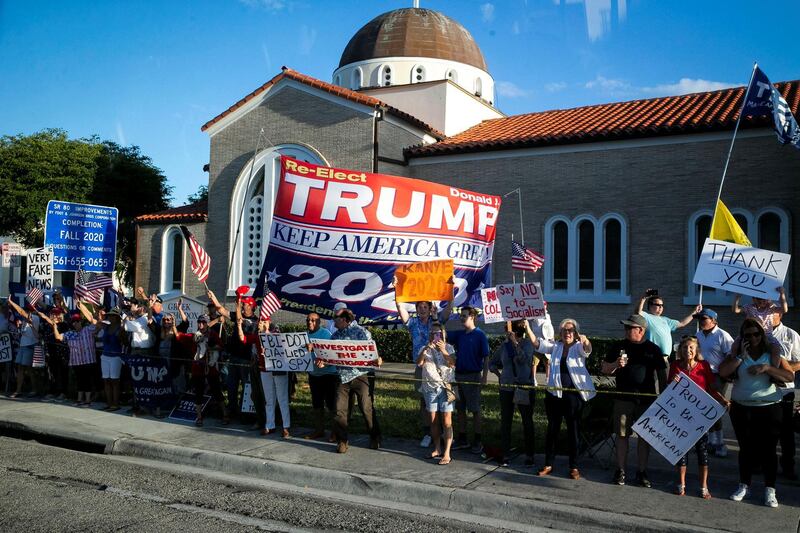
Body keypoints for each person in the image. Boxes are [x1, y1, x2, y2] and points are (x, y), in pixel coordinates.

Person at [719, 318, 794, 508]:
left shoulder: (772, 354)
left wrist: (767, 368)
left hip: (769, 407)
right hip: (741, 407)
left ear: (762, 334)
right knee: (746, 449)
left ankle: (770, 489)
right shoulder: (737, 353)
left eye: (756, 334)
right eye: (748, 335)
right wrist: (739, 357)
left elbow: (789, 375)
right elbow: (723, 372)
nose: (753, 338)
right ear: (742, 337)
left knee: (768, 450)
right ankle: (744, 484)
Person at [601, 314, 667, 487]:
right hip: (623, 398)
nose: (626, 330)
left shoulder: (653, 349)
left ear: (641, 330)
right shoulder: (619, 346)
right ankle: (621, 470)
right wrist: (616, 364)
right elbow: (604, 369)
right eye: (625, 327)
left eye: (629, 327)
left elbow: (662, 375)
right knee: (622, 435)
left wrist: (664, 399)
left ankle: (641, 471)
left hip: (646, 400)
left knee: (644, 438)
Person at [393, 277, 452, 448]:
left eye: (426, 306)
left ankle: (443, 432)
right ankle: (428, 432)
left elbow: (448, 309)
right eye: (420, 307)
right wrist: (397, 288)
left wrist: (451, 288)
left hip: (439, 367)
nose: (423, 309)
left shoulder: (437, 320)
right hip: (421, 366)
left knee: (443, 399)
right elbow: (400, 307)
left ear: (430, 308)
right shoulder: (412, 323)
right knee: (425, 401)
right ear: (417, 309)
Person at [669, 336, 729, 499]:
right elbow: (669, 390)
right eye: (684, 347)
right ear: (680, 350)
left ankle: (704, 486)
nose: (687, 350)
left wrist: (722, 400)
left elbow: (711, 388)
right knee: (681, 450)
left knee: (702, 450)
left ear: (696, 351)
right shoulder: (675, 366)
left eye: (691, 348)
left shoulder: (703, 366)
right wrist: (673, 383)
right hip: (680, 415)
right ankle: (681, 483)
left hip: (698, 416)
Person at [534, 318, 595, 479]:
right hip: (555, 394)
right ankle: (548, 463)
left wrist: (585, 340)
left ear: (575, 333)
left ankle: (574, 466)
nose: (567, 333)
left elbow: (587, 350)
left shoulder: (578, 346)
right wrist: (527, 326)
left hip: (574, 396)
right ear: (560, 333)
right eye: (564, 330)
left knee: (573, 430)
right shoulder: (556, 346)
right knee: (552, 429)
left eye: (571, 330)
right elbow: (537, 344)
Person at [322, 307, 381, 453]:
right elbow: (331, 356)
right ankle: (342, 440)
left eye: (335, 317)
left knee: (366, 408)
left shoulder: (361, 332)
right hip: (342, 378)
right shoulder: (335, 336)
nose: (333, 320)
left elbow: (371, 351)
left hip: (361, 375)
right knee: (339, 410)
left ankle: (375, 437)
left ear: (343, 319)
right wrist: (324, 361)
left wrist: (377, 359)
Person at [488, 319, 538, 467]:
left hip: (523, 386)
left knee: (527, 421)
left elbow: (523, 360)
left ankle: (529, 454)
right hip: (506, 388)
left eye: (509, 332)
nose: (507, 334)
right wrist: (499, 375)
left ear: (516, 333)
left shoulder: (527, 344)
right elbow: (492, 362)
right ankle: (505, 453)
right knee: (506, 421)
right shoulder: (504, 346)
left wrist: (515, 344)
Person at [694, 308, 734, 457]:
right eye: (699, 319)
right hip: (701, 375)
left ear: (714, 320)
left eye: (704, 319)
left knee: (714, 409)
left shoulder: (722, 335)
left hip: (717, 376)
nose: (700, 321)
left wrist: (726, 371)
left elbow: (731, 355)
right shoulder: (698, 335)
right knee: (701, 408)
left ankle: (719, 443)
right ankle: (708, 441)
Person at [449, 306, 490, 454]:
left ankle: (478, 440)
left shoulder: (480, 335)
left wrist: (484, 376)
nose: (461, 318)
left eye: (464, 316)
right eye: (460, 316)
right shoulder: (460, 334)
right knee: (460, 409)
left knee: (475, 409)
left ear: (472, 317)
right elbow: (442, 334)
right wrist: (436, 317)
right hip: (459, 375)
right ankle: (462, 438)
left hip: (473, 376)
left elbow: (486, 357)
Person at [417, 322, 456, 465]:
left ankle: (447, 452)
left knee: (446, 420)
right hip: (429, 387)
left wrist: (444, 351)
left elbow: (452, 364)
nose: (436, 336)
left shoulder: (449, 347)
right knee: (433, 420)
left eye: (438, 333)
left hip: (445, 387)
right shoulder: (425, 348)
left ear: (443, 334)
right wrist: (426, 349)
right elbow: (419, 363)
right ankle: (437, 448)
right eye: (433, 333)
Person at [770, 314, 800, 480]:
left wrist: (782, 369)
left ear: (779, 314)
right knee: (765, 430)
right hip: (764, 390)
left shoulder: (791, 335)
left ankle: (788, 466)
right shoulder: (760, 334)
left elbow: (799, 361)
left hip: (785, 389)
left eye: (771, 312)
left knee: (786, 432)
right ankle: (763, 463)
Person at [251, 318, 290, 437]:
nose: (261, 324)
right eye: (260, 322)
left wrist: (267, 333)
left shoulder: (276, 332)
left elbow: (283, 347)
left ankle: (286, 426)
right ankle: (270, 425)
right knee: (269, 399)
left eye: (263, 322)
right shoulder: (257, 336)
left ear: (268, 322)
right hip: (265, 369)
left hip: (278, 369)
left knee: (282, 398)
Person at [53, 304, 97, 406]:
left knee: (87, 381)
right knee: (79, 380)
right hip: (76, 361)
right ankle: (79, 400)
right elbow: (58, 337)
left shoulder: (88, 330)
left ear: (81, 321)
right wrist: (54, 326)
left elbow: (95, 323)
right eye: (73, 322)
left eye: (77, 321)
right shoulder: (70, 333)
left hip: (88, 360)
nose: (75, 323)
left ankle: (87, 401)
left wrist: (82, 307)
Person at [635, 290, 701, 357]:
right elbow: (638, 312)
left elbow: (682, 323)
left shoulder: (666, 320)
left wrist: (694, 312)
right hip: (652, 356)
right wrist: (643, 298)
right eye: (658, 305)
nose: (661, 307)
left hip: (666, 358)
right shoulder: (647, 317)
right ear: (650, 306)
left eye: (662, 305)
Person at [304, 312, 337, 441]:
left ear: (319, 322)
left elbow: (332, 354)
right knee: (317, 404)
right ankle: (319, 430)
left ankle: (335, 432)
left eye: (313, 320)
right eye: (308, 320)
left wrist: (315, 348)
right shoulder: (304, 335)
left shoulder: (326, 334)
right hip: (314, 375)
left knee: (331, 405)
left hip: (328, 374)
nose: (310, 322)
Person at [7, 298, 41, 398]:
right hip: (23, 345)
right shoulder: (24, 321)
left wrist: (11, 302)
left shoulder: (35, 318)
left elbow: (20, 312)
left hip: (30, 345)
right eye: (27, 310)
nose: (27, 312)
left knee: (29, 369)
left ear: (33, 311)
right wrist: (19, 326)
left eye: (29, 310)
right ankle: (19, 390)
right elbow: (23, 331)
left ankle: (34, 390)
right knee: (21, 368)